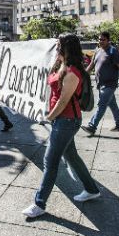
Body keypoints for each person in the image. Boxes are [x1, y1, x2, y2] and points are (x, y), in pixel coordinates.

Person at [22, 33, 101, 218]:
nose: (56, 47)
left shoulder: (72, 72)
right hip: (62, 120)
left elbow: (63, 101)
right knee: (72, 157)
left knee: (50, 161)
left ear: (67, 48)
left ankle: (39, 203)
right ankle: (91, 189)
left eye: (59, 45)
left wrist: (49, 117)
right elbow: (50, 78)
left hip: (67, 120)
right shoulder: (62, 65)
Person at [81, 31, 119, 135]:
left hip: (110, 84)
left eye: (103, 39)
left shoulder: (113, 51)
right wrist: (83, 76)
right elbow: (91, 66)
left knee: (101, 105)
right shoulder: (98, 51)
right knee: (112, 104)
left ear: (108, 40)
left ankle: (92, 126)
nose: (100, 41)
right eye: (99, 39)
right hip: (100, 84)